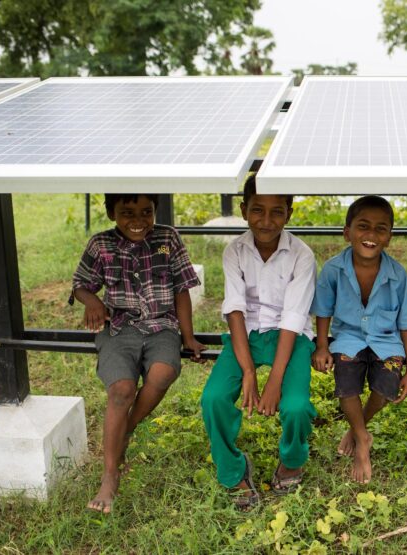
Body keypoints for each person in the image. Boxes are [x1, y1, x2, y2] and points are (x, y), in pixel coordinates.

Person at [72, 193, 204, 514]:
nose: (138, 220)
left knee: (163, 372)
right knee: (121, 390)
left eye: (146, 212)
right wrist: (93, 302)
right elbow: (80, 284)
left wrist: (188, 337)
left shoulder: (167, 238)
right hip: (119, 328)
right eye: (127, 212)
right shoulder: (100, 244)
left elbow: (182, 288)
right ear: (110, 212)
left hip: (162, 326)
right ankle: (109, 475)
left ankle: (126, 430)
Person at [200, 175, 316, 510]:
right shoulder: (234, 251)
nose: (266, 221)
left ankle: (292, 459)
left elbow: (293, 319)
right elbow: (235, 311)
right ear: (243, 210)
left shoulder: (302, 255)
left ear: (289, 213)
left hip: (289, 337)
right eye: (257, 210)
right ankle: (233, 469)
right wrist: (249, 372)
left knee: (294, 405)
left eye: (276, 212)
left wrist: (274, 383)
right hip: (246, 336)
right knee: (213, 398)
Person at [311, 196, 407, 484]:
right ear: (347, 232)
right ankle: (363, 440)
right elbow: (322, 310)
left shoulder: (397, 275)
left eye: (380, 229)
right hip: (347, 338)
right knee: (346, 380)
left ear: (389, 237)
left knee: (387, 385)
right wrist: (322, 346)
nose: (371, 235)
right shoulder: (334, 270)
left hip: (387, 341)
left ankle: (357, 429)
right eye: (363, 226)